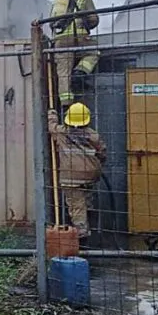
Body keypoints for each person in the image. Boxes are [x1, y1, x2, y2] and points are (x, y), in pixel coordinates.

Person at [48, 103, 107, 241]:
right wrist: (97, 165)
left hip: (71, 177)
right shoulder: (93, 135)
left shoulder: (62, 132)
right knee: (86, 201)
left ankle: (81, 236)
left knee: (76, 206)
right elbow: (102, 153)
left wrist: (52, 114)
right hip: (91, 174)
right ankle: (89, 223)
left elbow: (51, 127)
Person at [48, 0, 100, 107]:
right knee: (94, 52)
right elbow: (93, 20)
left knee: (63, 73)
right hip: (79, 39)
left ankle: (66, 105)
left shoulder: (58, 5)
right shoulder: (84, 0)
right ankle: (80, 72)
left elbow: (52, 23)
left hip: (60, 42)